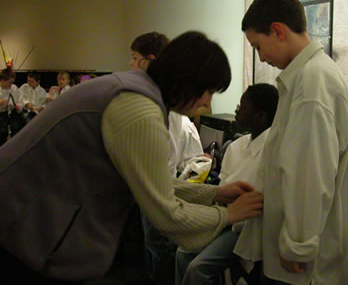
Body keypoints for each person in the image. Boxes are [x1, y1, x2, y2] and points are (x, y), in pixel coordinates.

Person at [0, 31, 263, 284]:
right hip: (21, 225)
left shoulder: (135, 92)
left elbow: (147, 178)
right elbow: (165, 213)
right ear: (188, 82)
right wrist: (229, 214)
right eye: (209, 91)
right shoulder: (139, 108)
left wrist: (214, 194)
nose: (206, 103)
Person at [240, 0, 348, 285]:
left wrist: (298, 244)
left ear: (278, 31)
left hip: (305, 262)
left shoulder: (312, 81)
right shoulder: (306, 77)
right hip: (299, 247)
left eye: (258, 46)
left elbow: (309, 173)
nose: (261, 57)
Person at [175, 83, 279, 285]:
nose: (237, 109)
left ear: (260, 116)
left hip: (247, 227)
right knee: (182, 252)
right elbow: (222, 188)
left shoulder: (274, 151)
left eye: (243, 106)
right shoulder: (237, 146)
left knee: (198, 269)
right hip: (224, 217)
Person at [129, 31, 206, 285]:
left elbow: (178, 155)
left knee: (160, 248)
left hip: (164, 187)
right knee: (151, 245)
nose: (131, 64)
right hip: (152, 185)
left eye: (134, 58)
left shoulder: (164, 99)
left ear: (148, 60)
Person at [0, 68, 23, 144]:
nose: (11, 85)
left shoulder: (14, 88)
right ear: (3, 80)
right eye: (10, 82)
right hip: (1, 112)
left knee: (16, 128)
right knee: (2, 132)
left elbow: (20, 101)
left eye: (12, 82)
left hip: (12, 112)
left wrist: (18, 106)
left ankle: (13, 147)